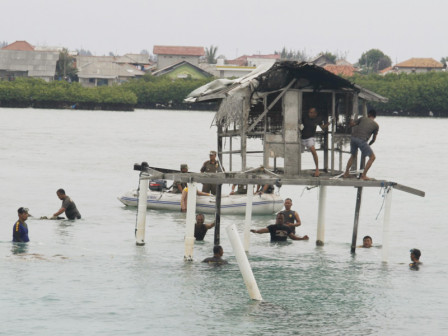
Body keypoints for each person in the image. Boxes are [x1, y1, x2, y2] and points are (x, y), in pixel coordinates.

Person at [343, 109, 379, 181]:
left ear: (368, 115)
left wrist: (351, 120)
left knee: (353, 156)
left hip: (353, 138)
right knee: (372, 157)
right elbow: (373, 139)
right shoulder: (376, 125)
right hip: (362, 140)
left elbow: (351, 124)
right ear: (374, 116)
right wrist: (368, 145)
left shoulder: (362, 118)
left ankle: (346, 173)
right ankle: (363, 175)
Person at [301, 107, 329, 177]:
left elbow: (322, 127)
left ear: (315, 113)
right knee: (296, 152)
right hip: (301, 138)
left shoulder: (318, 119)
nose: (309, 114)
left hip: (310, 138)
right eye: (309, 112)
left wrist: (328, 124)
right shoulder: (304, 117)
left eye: (311, 112)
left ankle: (317, 169)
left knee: (314, 152)